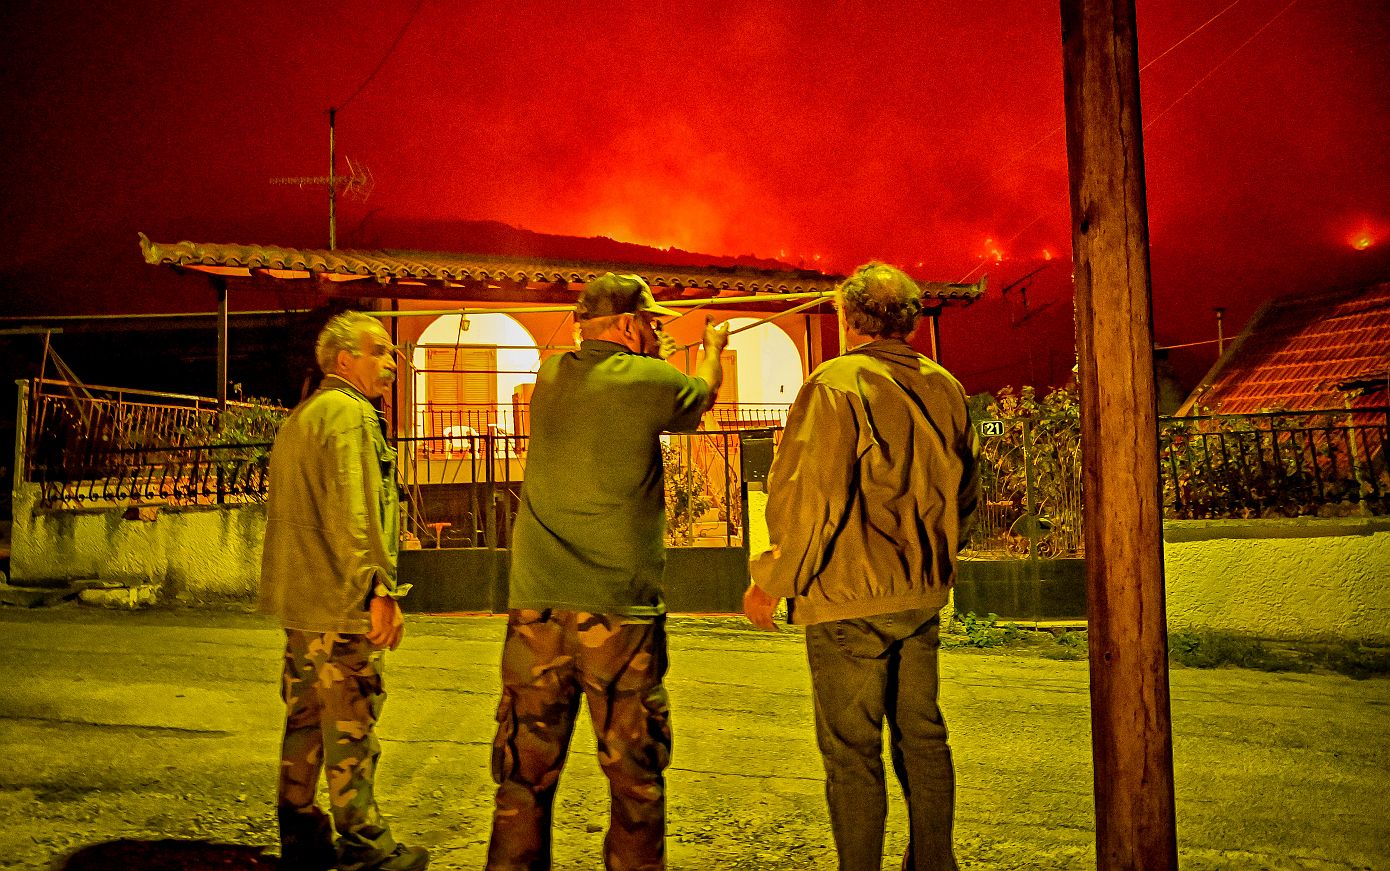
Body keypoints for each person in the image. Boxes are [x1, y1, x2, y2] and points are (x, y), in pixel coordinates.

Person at [486, 273, 728, 871]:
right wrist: (713, 353)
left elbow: (625, 377)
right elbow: (701, 395)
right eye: (651, 324)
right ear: (627, 325)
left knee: (524, 776)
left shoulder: (550, 376)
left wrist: (656, 357)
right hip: (620, 613)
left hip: (537, 609)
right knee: (634, 779)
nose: (656, 336)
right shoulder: (652, 380)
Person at [744, 263, 979, 871]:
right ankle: (935, 863)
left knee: (852, 753)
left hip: (849, 598)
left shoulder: (836, 384)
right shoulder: (945, 385)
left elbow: (810, 495)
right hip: (920, 595)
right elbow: (967, 494)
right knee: (923, 738)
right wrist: (933, 562)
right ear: (912, 322)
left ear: (850, 321)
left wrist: (774, 578)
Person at [259, 310, 429, 871]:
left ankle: (301, 834)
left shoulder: (302, 417)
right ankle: (364, 847)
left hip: (300, 605)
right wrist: (379, 588)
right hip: (338, 604)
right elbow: (356, 515)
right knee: (351, 724)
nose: (392, 361)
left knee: (304, 720)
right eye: (379, 350)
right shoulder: (352, 417)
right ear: (343, 359)